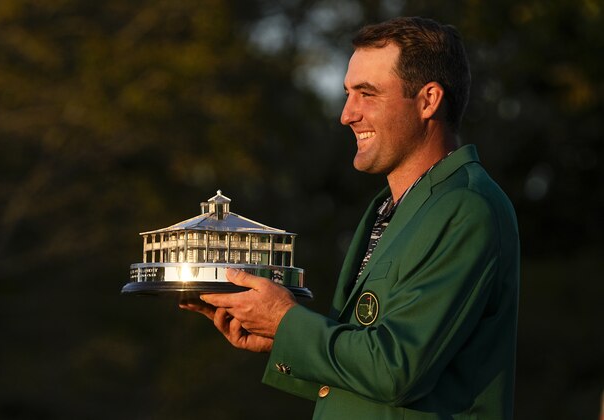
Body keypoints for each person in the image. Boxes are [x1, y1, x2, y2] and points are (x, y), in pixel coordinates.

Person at [181, 16, 520, 419]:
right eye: (348, 93)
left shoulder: (466, 207)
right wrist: (278, 336)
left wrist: (287, 322)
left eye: (367, 94)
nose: (347, 114)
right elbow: (372, 364)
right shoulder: (387, 206)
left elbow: (397, 371)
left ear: (429, 100)